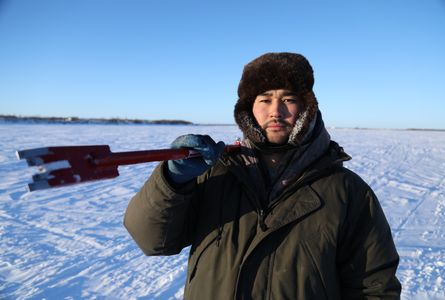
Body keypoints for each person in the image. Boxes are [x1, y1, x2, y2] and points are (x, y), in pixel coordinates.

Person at [124, 52, 402, 299]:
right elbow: (152, 241)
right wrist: (173, 183)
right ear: (248, 109)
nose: (275, 111)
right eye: (265, 99)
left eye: (289, 99)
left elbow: (374, 287)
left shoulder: (346, 191)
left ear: (307, 107)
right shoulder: (214, 173)